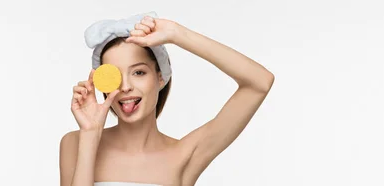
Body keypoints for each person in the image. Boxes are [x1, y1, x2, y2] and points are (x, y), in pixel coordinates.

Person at [60, 12, 275, 186]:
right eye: (115, 76)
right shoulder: (76, 142)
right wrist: (90, 134)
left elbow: (259, 82)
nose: (125, 87)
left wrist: (177, 34)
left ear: (161, 77)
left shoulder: (184, 154)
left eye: (139, 73)